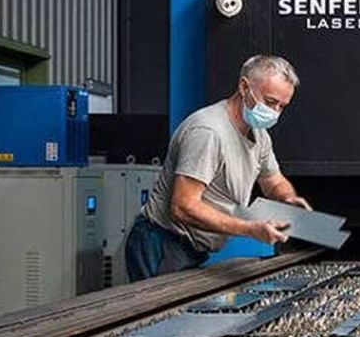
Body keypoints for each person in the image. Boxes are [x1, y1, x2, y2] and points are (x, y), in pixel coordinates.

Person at [125, 54, 311, 281]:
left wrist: (288, 199)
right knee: (158, 305)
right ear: (244, 86)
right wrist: (250, 229)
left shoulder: (259, 135)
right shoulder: (208, 132)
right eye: (270, 102)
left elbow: (272, 180)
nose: (275, 112)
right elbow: (183, 206)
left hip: (191, 248)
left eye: (282, 106)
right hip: (162, 243)